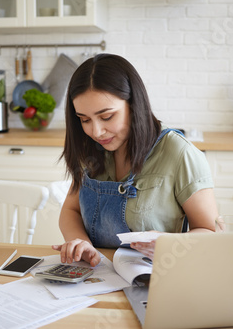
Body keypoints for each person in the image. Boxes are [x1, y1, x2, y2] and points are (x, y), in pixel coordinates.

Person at [52, 54, 218, 267]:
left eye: (107, 116)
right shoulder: (91, 149)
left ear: (134, 104)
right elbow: (70, 210)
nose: (96, 131)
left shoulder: (179, 153)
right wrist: (81, 243)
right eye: (84, 120)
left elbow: (210, 232)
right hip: (96, 277)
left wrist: (170, 243)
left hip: (156, 279)